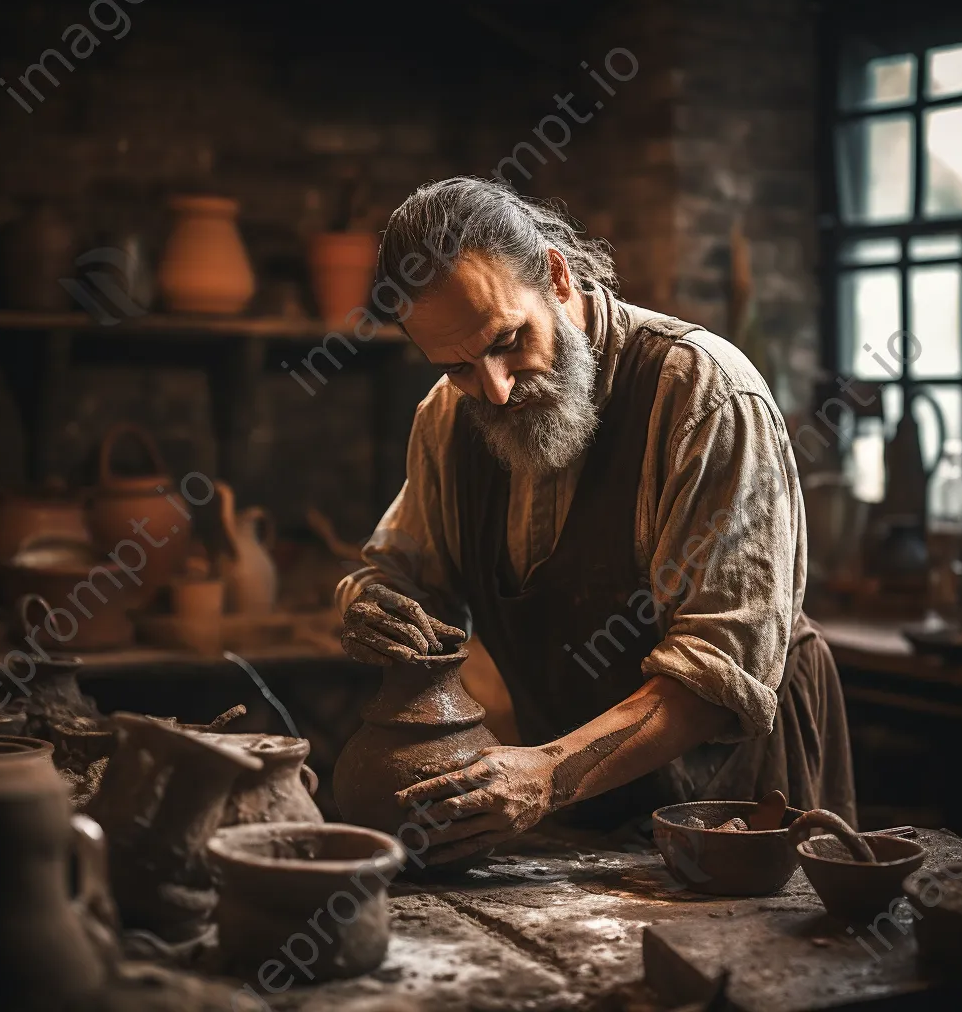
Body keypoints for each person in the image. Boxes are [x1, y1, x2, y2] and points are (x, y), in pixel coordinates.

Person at [335, 176, 855, 866]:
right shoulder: (449, 416)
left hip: (737, 800)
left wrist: (549, 773)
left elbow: (716, 670)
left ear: (554, 275)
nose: (493, 388)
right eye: (457, 367)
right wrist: (366, 603)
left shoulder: (703, 394)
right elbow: (400, 573)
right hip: (574, 800)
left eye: (508, 340)